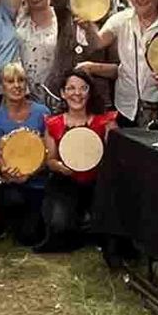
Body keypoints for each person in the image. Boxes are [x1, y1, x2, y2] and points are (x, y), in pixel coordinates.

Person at [39, 71, 118, 253]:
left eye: (83, 88)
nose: (77, 93)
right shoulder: (53, 123)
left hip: (97, 182)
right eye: (71, 88)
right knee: (59, 225)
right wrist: (58, 166)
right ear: (62, 93)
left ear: (89, 92)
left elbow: (116, 157)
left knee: (109, 226)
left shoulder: (105, 122)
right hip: (66, 181)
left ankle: (89, 224)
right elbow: (50, 160)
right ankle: (81, 225)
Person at [0, 62, 51, 247]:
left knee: (31, 237)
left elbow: (49, 153)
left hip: (38, 183)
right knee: (12, 201)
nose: (16, 85)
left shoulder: (42, 113)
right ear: (1, 87)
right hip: (10, 183)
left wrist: (29, 173)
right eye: (10, 81)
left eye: (21, 80)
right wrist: (7, 172)